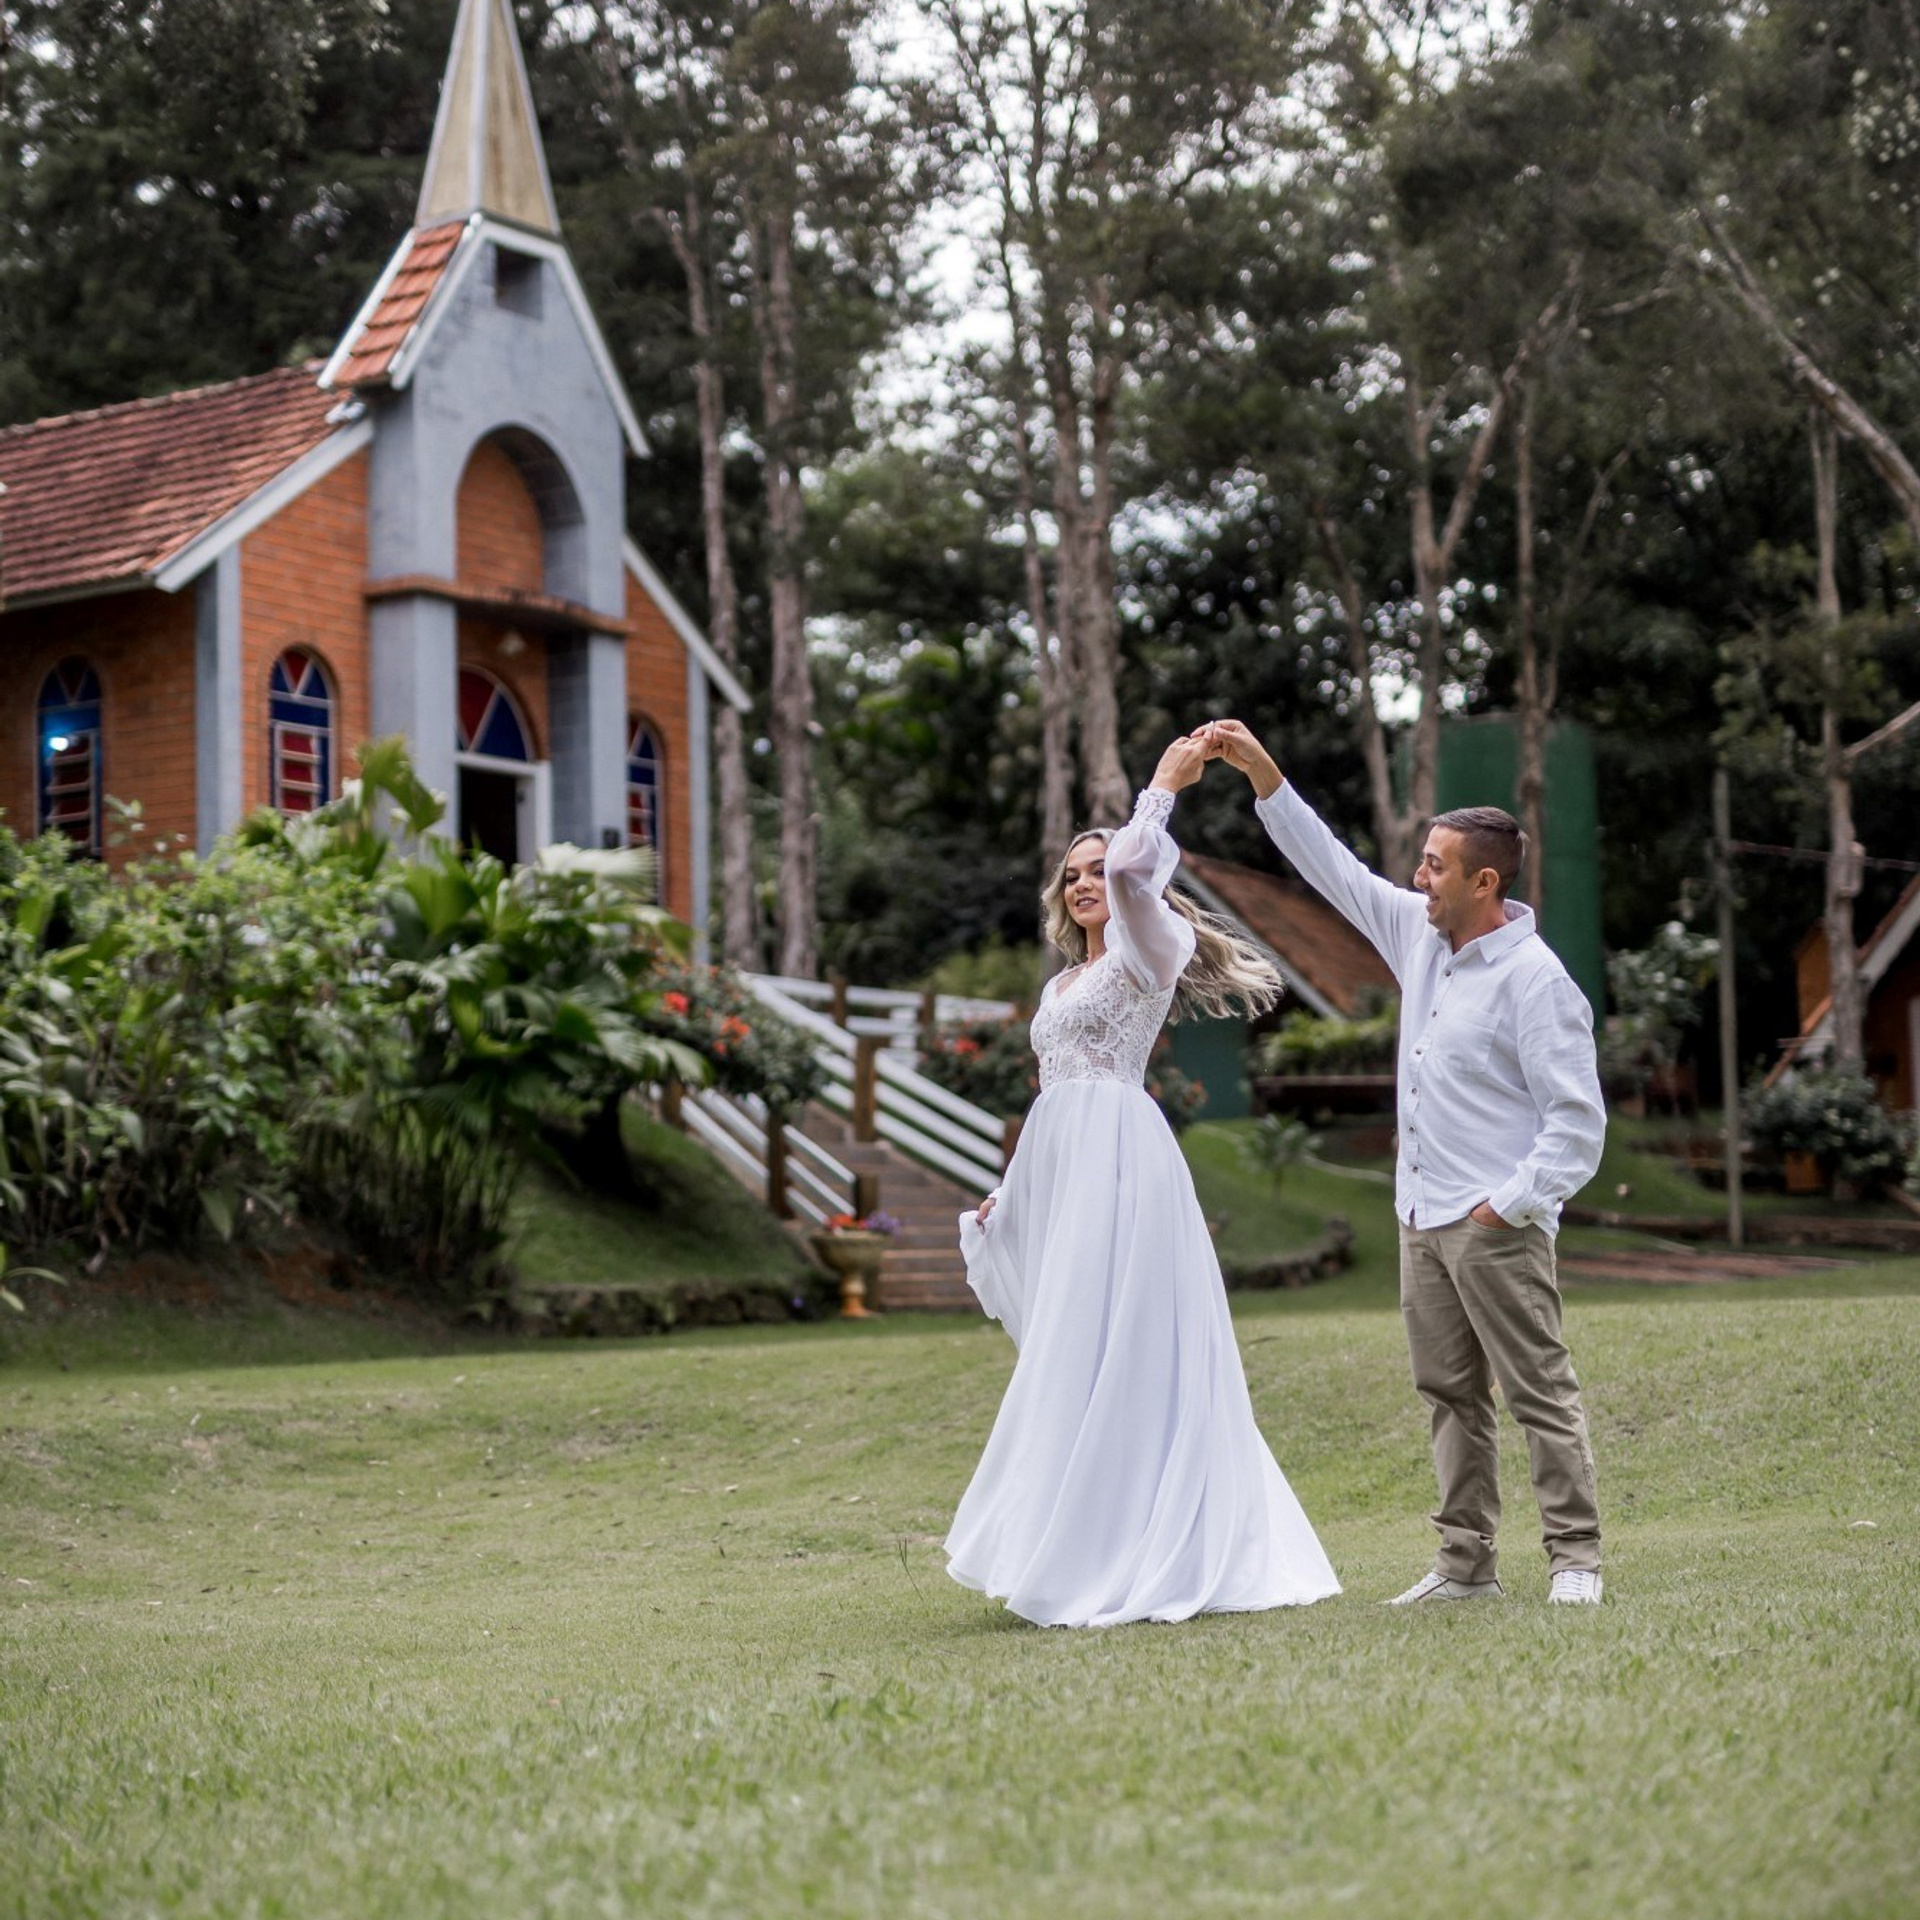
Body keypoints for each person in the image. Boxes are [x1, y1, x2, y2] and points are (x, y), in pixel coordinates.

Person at [1200, 718, 1607, 1605]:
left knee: (1538, 1392)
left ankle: (1575, 1562)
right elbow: (1331, 867)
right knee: (1449, 1397)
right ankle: (1466, 1569)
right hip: (1421, 1218)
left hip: (1493, 1223)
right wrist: (1263, 771)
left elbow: (1577, 1124)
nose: (1418, 878)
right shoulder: (1418, 937)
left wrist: (1511, 1205)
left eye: (1434, 865)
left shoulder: (1537, 982)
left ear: (1483, 880)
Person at [945, 735, 1341, 1628]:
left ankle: (1146, 1545)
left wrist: (1163, 786)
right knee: (1072, 1346)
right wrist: (1012, 1194)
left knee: (1126, 1336)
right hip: (1065, 1165)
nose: (1088, 881)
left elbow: (1132, 870)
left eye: (1096, 868)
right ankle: (1077, 1537)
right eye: (1072, 875)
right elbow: (1051, 1097)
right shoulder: (1061, 986)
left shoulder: (1148, 944)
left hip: (1126, 1159)